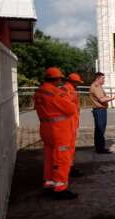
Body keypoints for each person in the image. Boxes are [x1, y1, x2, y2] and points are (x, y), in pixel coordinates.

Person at [34, 67, 78, 199]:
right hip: (59, 130)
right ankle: (60, 187)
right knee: (62, 157)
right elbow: (70, 109)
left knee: (49, 157)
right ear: (57, 79)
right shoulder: (55, 92)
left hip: (46, 128)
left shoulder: (39, 92)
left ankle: (49, 183)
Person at [89, 72, 115, 154]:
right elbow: (101, 100)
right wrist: (113, 97)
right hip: (99, 110)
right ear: (98, 78)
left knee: (100, 129)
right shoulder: (96, 87)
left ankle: (100, 147)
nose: (104, 80)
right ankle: (100, 149)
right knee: (100, 130)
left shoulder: (98, 86)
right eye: (103, 78)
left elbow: (102, 98)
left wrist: (108, 98)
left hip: (100, 110)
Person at [64, 73, 84, 178]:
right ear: (73, 82)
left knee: (70, 148)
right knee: (68, 148)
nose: (78, 85)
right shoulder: (67, 91)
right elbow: (68, 108)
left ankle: (69, 167)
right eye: (77, 82)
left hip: (71, 123)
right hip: (68, 124)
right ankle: (69, 168)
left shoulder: (67, 89)